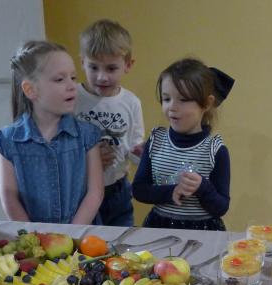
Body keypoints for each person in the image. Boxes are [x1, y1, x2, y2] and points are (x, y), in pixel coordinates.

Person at [0, 40, 103, 224]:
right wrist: (32, 235)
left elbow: (95, 193)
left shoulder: (87, 135)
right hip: (33, 237)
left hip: (81, 235)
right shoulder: (8, 140)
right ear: (30, 90)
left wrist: (71, 234)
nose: (72, 86)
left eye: (73, 78)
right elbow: (9, 196)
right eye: (60, 79)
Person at [132, 58, 234, 231]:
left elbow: (221, 206)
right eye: (166, 99)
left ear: (207, 103)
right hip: (159, 227)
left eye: (183, 100)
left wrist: (202, 187)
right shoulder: (156, 140)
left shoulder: (215, 149)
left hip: (203, 232)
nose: (172, 107)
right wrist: (171, 192)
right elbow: (139, 190)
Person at [74, 19, 144, 226]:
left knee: (121, 239)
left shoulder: (131, 102)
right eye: (93, 67)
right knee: (84, 241)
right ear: (82, 63)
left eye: (111, 68)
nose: (102, 77)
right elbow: (59, 146)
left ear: (128, 65)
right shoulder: (71, 98)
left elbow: (135, 146)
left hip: (117, 189)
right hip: (80, 190)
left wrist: (146, 155)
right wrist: (88, 160)